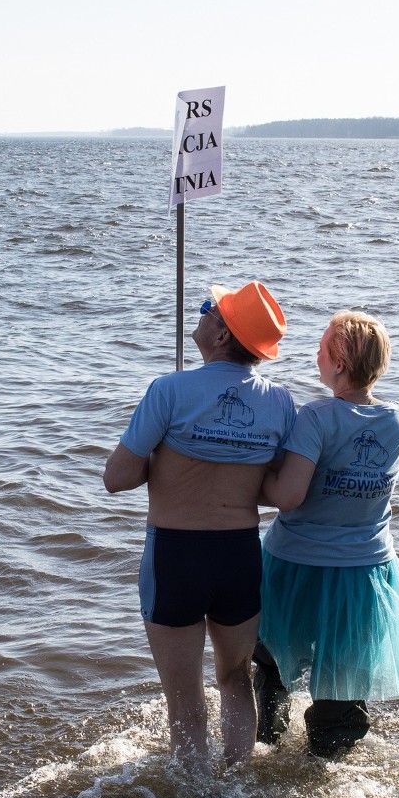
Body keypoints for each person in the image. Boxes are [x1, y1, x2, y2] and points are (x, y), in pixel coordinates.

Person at [103, 282, 296, 768]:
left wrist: (163, 462)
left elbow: (117, 478)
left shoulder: (170, 389)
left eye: (212, 310)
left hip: (176, 554)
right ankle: (236, 783)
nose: (204, 312)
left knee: (184, 696)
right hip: (238, 555)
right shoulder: (280, 402)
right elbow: (278, 486)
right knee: (235, 679)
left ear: (221, 335)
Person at [257, 309, 399, 757]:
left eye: (321, 347)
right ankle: (327, 768)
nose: (315, 354)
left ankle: (266, 750)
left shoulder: (316, 416)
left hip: (296, 564)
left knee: (273, 663)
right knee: (342, 679)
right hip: (364, 570)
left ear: (338, 365)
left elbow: (289, 496)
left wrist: (244, 482)